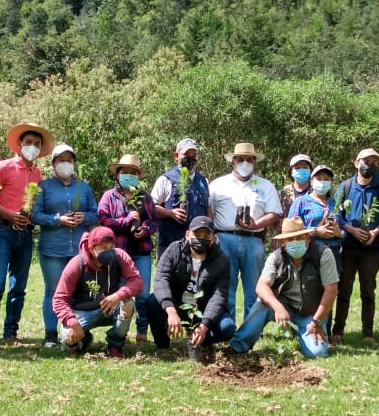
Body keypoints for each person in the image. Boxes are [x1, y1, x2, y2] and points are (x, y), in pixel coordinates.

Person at [0, 122, 54, 348]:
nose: (32, 147)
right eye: (28, 143)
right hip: (2, 231)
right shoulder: (3, 167)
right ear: (19, 145)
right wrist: (10, 215)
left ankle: (11, 331)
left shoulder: (37, 173)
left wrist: (28, 218)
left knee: (19, 286)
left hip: (24, 234)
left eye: (37, 144)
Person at [228, 217, 337, 359]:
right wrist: (278, 307)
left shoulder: (323, 254)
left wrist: (317, 321)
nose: (295, 242)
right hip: (285, 309)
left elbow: (331, 291)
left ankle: (302, 333)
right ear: (283, 243)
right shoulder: (275, 258)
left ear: (308, 238)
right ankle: (238, 346)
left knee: (318, 353)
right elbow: (261, 286)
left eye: (299, 237)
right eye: (290, 239)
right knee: (262, 303)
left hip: (313, 314)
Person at [32, 143, 99, 348]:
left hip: (79, 250)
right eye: (61, 160)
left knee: (77, 292)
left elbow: (96, 214)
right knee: (53, 291)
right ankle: (50, 334)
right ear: (53, 163)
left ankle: (76, 332)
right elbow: (35, 215)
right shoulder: (44, 187)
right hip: (52, 248)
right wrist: (57, 219)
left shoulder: (83, 187)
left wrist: (84, 217)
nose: (65, 164)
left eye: (69, 160)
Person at [209, 142, 283, 320]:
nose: (244, 163)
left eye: (249, 159)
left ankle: (251, 329)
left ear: (255, 162)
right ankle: (226, 325)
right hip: (224, 239)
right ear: (233, 161)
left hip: (254, 240)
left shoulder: (265, 186)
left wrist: (256, 224)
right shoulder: (218, 184)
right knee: (227, 285)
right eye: (240, 159)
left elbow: (274, 213)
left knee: (256, 287)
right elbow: (209, 212)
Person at [146, 216, 235, 359]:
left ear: (213, 238)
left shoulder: (222, 260)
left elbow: (219, 296)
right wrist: (171, 311)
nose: (201, 239)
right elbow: (161, 279)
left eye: (206, 236)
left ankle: (202, 341)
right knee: (152, 302)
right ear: (187, 235)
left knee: (227, 328)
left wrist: (205, 324)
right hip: (178, 304)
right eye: (197, 234)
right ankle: (162, 344)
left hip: (203, 308)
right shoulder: (174, 250)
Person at [331, 148, 379, 346]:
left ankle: (368, 333)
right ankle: (338, 332)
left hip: (371, 250)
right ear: (356, 163)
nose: (370, 165)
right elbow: (336, 214)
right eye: (366, 161)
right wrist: (350, 229)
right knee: (344, 290)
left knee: (368, 291)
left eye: (375, 162)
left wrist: (375, 232)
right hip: (348, 247)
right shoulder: (346, 186)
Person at [52, 227, 144, 359]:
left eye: (111, 246)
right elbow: (59, 298)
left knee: (127, 304)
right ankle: (80, 342)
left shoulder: (119, 256)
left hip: (110, 307)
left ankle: (115, 345)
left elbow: (137, 282)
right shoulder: (76, 264)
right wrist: (71, 321)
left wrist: (119, 295)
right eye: (103, 247)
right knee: (67, 335)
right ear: (91, 248)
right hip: (83, 311)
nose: (109, 251)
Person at [98, 154, 159, 345]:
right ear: (117, 174)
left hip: (141, 251)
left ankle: (142, 332)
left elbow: (155, 221)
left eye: (134, 173)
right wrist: (125, 221)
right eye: (125, 172)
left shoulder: (145, 196)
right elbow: (103, 219)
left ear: (138, 176)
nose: (129, 175)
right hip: (118, 252)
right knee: (120, 292)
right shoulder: (109, 196)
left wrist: (145, 230)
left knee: (142, 293)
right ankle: (120, 332)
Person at [288, 164, 344, 338]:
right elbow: (290, 230)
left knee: (329, 290)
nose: (323, 182)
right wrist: (315, 231)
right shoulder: (301, 202)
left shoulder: (335, 204)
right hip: (308, 253)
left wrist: (339, 233)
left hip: (333, 253)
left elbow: (344, 232)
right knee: (306, 290)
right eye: (319, 179)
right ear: (311, 181)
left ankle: (323, 330)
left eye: (326, 179)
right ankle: (296, 329)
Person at [151, 138, 211, 260]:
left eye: (194, 155)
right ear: (176, 156)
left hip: (198, 245)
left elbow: (208, 208)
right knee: (167, 278)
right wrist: (170, 213)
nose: (191, 158)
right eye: (187, 154)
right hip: (170, 243)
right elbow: (151, 207)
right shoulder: (166, 179)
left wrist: (210, 231)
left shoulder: (203, 181)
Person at [271, 154, 313, 248]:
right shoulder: (282, 193)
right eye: (297, 168)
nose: (301, 170)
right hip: (284, 242)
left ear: (310, 171)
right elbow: (273, 217)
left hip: (310, 241)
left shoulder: (315, 193)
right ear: (291, 172)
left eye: (305, 167)